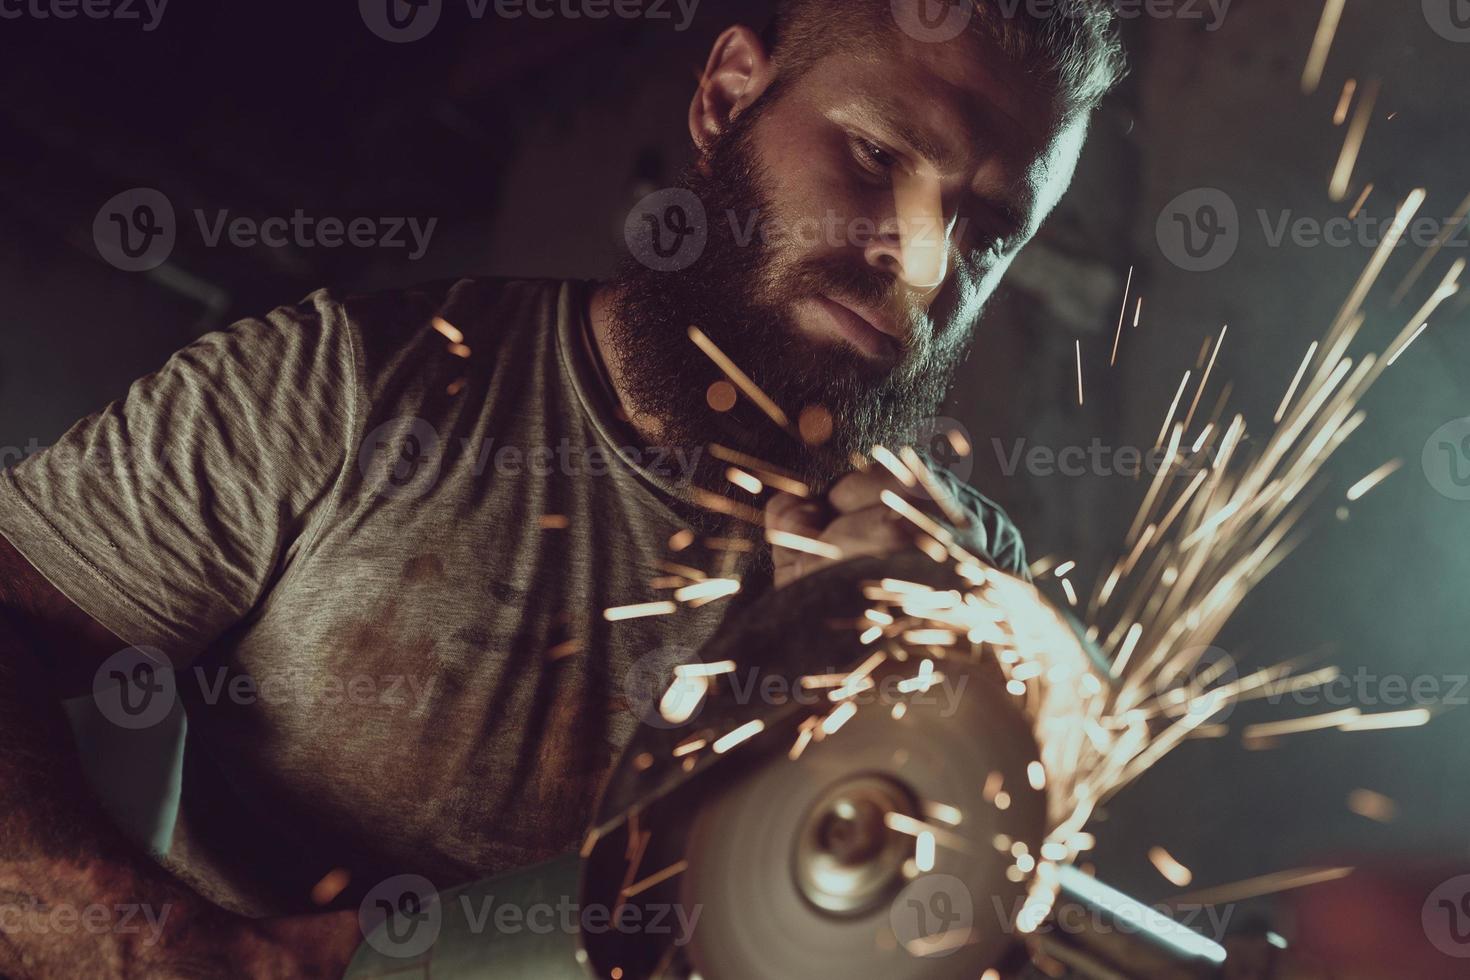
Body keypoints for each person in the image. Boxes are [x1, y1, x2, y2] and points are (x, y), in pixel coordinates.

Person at [0, 1, 1124, 974]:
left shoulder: (962, 593)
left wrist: (931, 711)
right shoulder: (344, 387)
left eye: (986, 228)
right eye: (878, 156)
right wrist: (147, 948)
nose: (921, 263)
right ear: (728, 97)